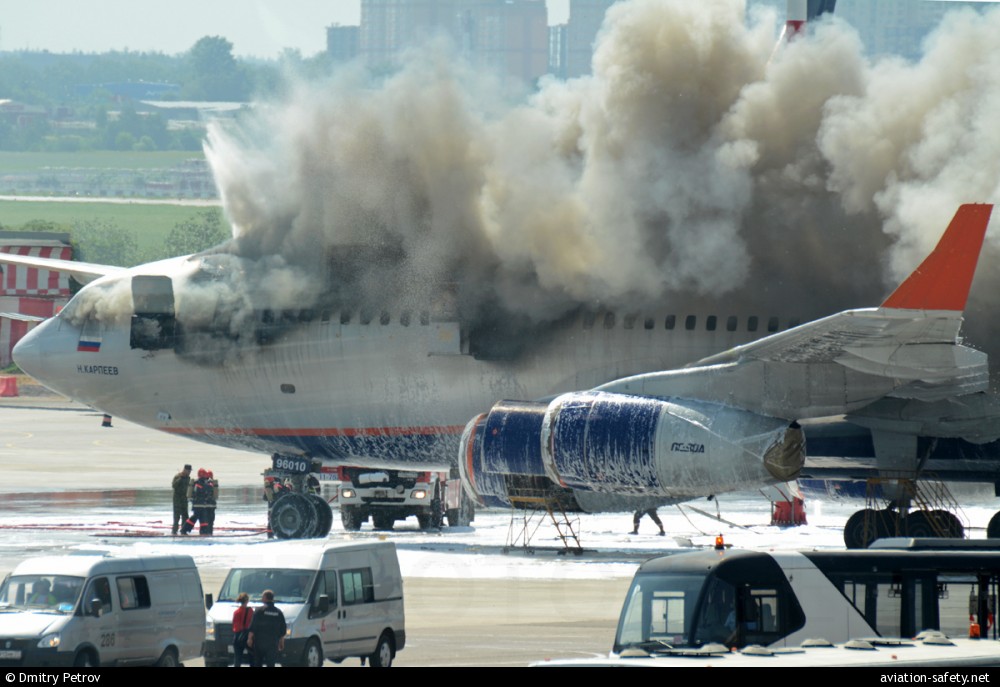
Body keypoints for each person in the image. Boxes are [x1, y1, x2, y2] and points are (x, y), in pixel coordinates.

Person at [247, 589, 286, 667]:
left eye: (262, 597)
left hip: (259, 643)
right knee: (271, 664)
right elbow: (282, 629)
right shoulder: (278, 612)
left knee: (258, 663)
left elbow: (253, 626)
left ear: (265, 597)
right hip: (272, 643)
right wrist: (281, 642)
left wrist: (250, 639)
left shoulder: (259, 611)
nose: (261, 598)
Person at [181, 468, 215, 535]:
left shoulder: (201, 483)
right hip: (199, 505)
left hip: (200, 505)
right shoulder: (200, 483)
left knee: (200, 518)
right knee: (198, 518)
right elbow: (201, 492)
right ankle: (185, 529)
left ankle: (202, 531)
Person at [232, 592, 254, 667]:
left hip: (238, 636)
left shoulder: (236, 612)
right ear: (247, 601)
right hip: (248, 636)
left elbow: (235, 625)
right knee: (252, 657)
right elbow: (253, 624)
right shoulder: (250, 611)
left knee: (237, 658)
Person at [171, 464, 192, 535]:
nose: (189, 472)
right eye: (188, 471)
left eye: (190, 471)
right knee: (176, 516)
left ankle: (183, 530)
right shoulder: (178, 476)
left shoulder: (188, 478)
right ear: (185, 470)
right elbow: (174, 485)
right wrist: (181, 478)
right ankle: (174, 531)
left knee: (185, 516)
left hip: (184, 499)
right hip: (177, 499)